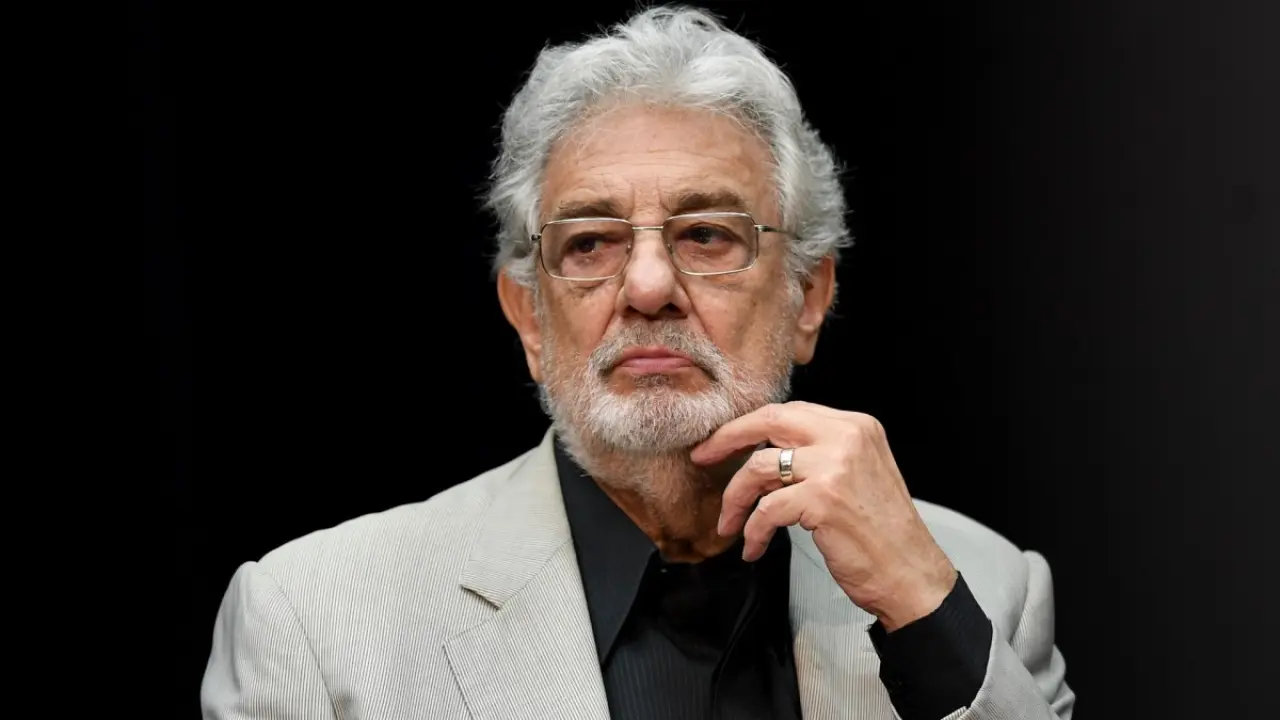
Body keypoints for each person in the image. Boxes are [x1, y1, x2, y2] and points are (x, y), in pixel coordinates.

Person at [200, 6, 1073, 719]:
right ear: (529, 317)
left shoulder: (982, 588)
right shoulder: (313, 622)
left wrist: (924, 610)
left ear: (808, 297)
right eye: (589, 243)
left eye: (707, 235)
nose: (649, 286)